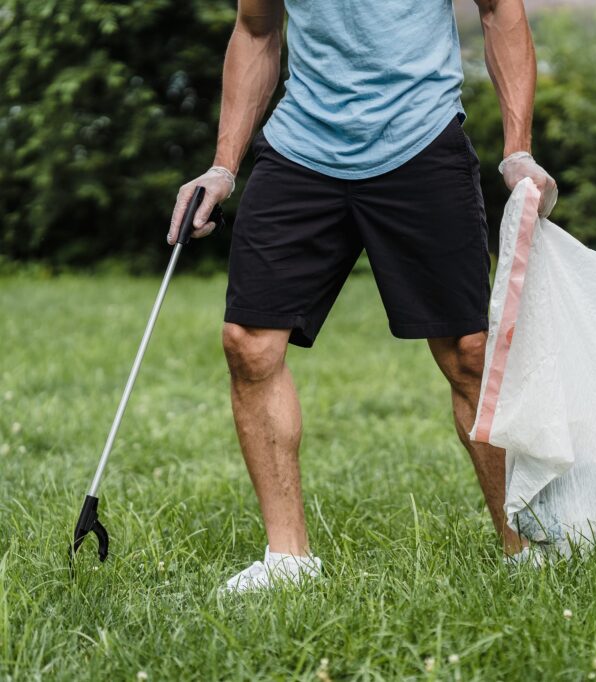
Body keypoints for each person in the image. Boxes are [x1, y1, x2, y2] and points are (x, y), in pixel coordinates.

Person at [166, 0, 556, 592]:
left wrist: (518, 150)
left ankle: (525, 547)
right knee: (249, 343)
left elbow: (501, 10)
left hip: (421, 142)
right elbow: (255, 29)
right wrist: (222, 168)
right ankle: (288, 560)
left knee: (469, 353)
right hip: (302, 149)